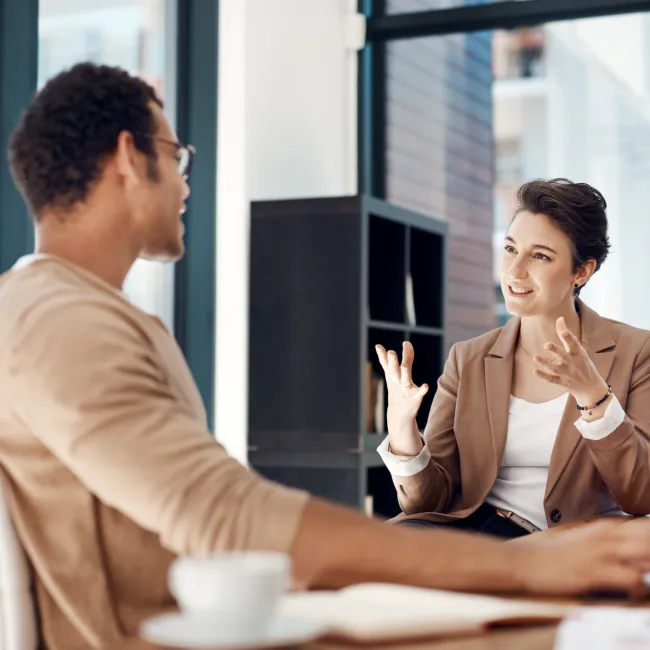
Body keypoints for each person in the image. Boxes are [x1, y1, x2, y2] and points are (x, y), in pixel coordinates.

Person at [3, 64, 650, 650]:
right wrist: (525, 565)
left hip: (218, 619)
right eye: (177, 155)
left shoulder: (92, 315)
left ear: (581, 271)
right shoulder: (57, 321)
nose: (184, 179)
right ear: (126, 157)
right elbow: (228, 517)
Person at [376, 178, 650, 539]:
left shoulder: (635, 352)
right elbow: (431, 502)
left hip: (570, 544)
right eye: (509, 249)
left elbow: (641, 495)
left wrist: (594, 397)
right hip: (478, 535)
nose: (514, 271)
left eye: (540, 256)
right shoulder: (468, 358)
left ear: (581, 272)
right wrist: (402, 432)